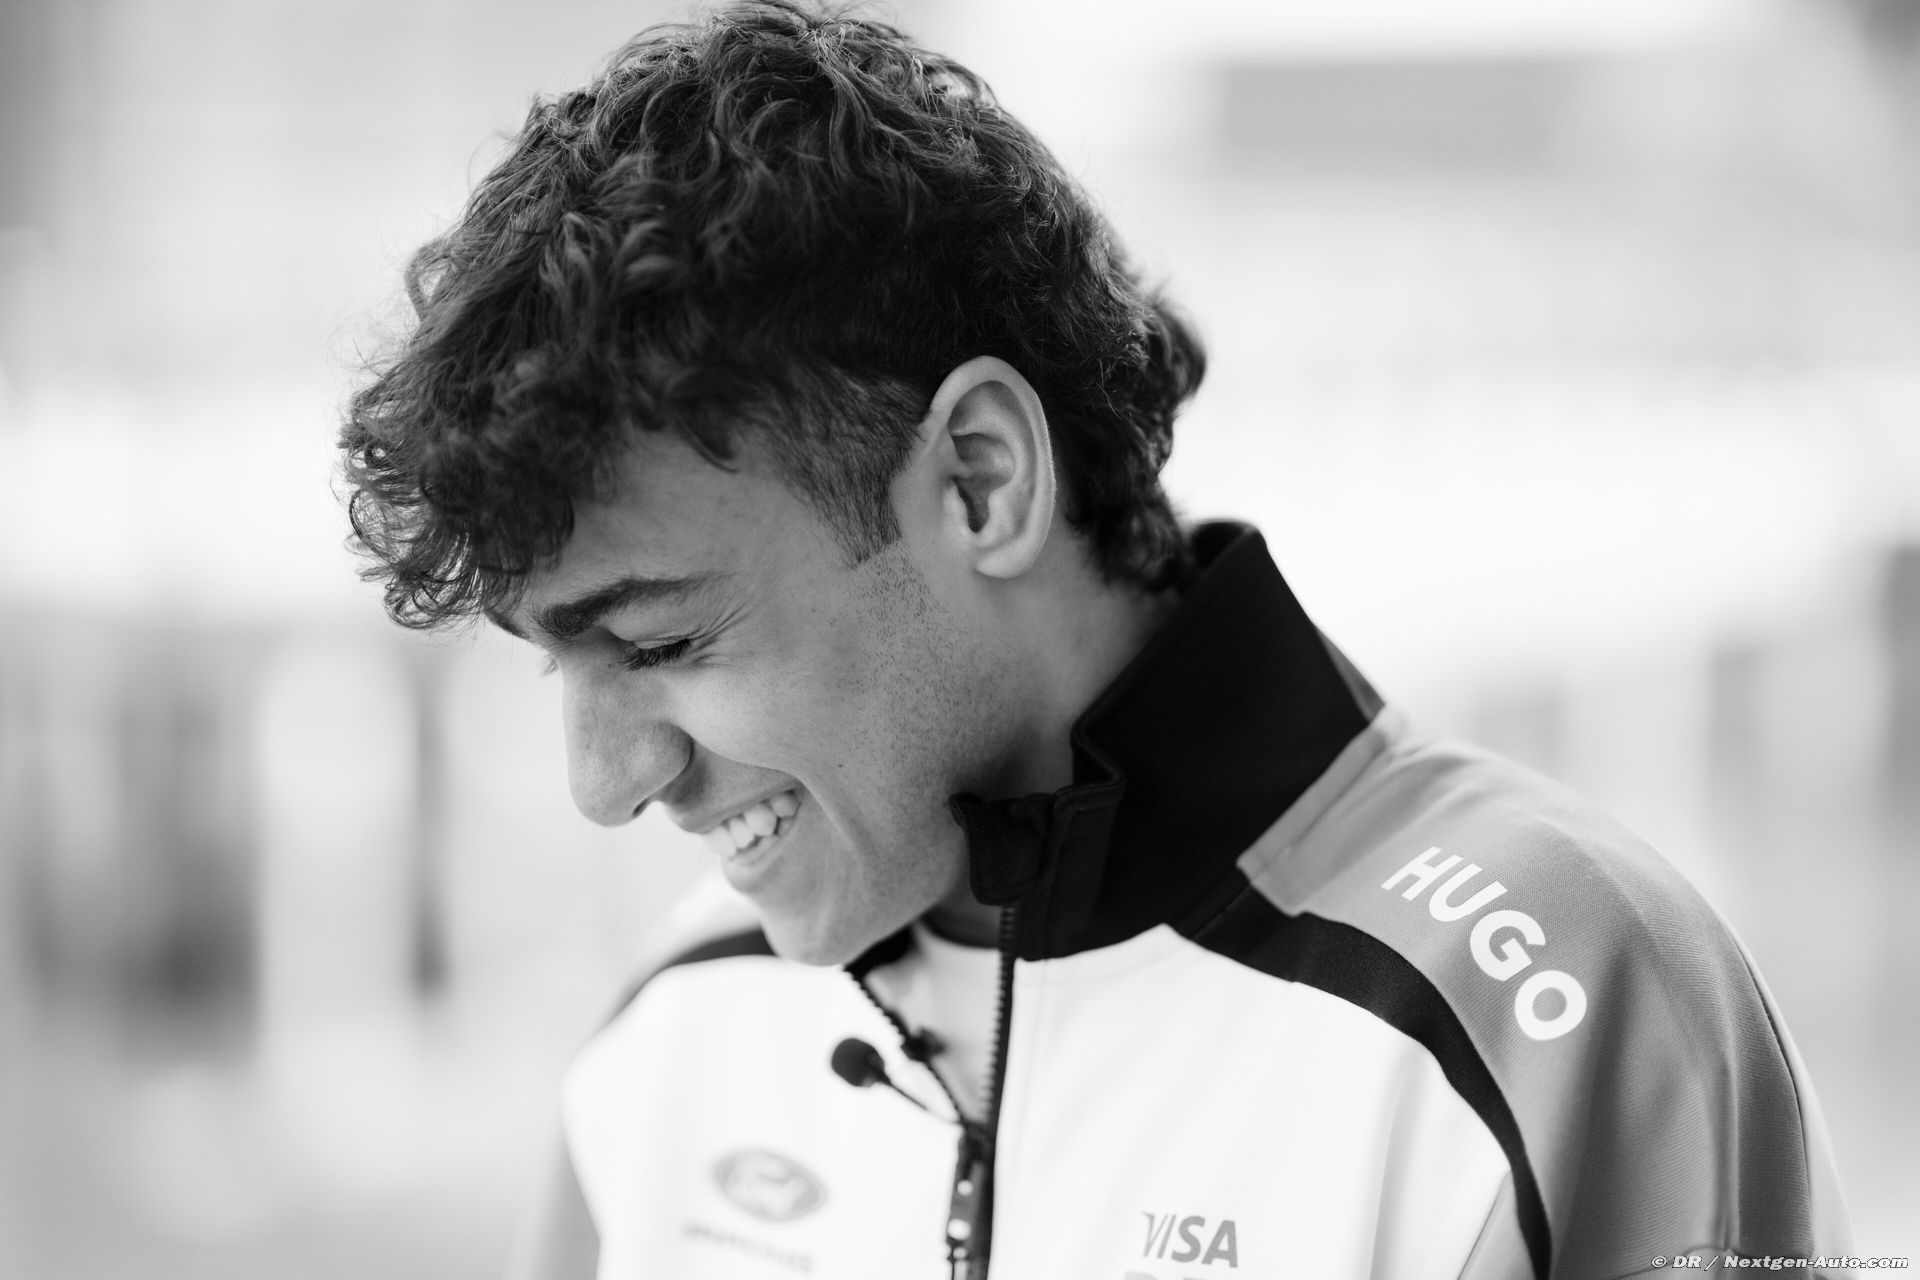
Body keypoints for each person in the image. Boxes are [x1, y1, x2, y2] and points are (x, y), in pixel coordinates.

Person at [336, 3, 1853, 1277]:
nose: (602, 784)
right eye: (551, 662)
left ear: (981, 480)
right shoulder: (673, 1035)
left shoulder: (1563, 998)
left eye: (661, 642)